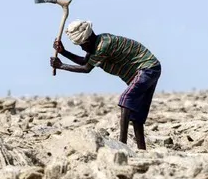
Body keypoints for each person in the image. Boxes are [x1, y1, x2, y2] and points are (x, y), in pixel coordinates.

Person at [50, 19, 161, 150]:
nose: (82, 48)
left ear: (88, 40)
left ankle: (122, 144)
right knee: (137, 116)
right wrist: (63, 52)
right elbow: (85, 61)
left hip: (146, 68)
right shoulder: (98, 42)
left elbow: (86, 68)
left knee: (126, 99)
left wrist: (61, 65)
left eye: (82, 45)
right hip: (151, 68)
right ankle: (142, 149)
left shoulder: (103, 46)